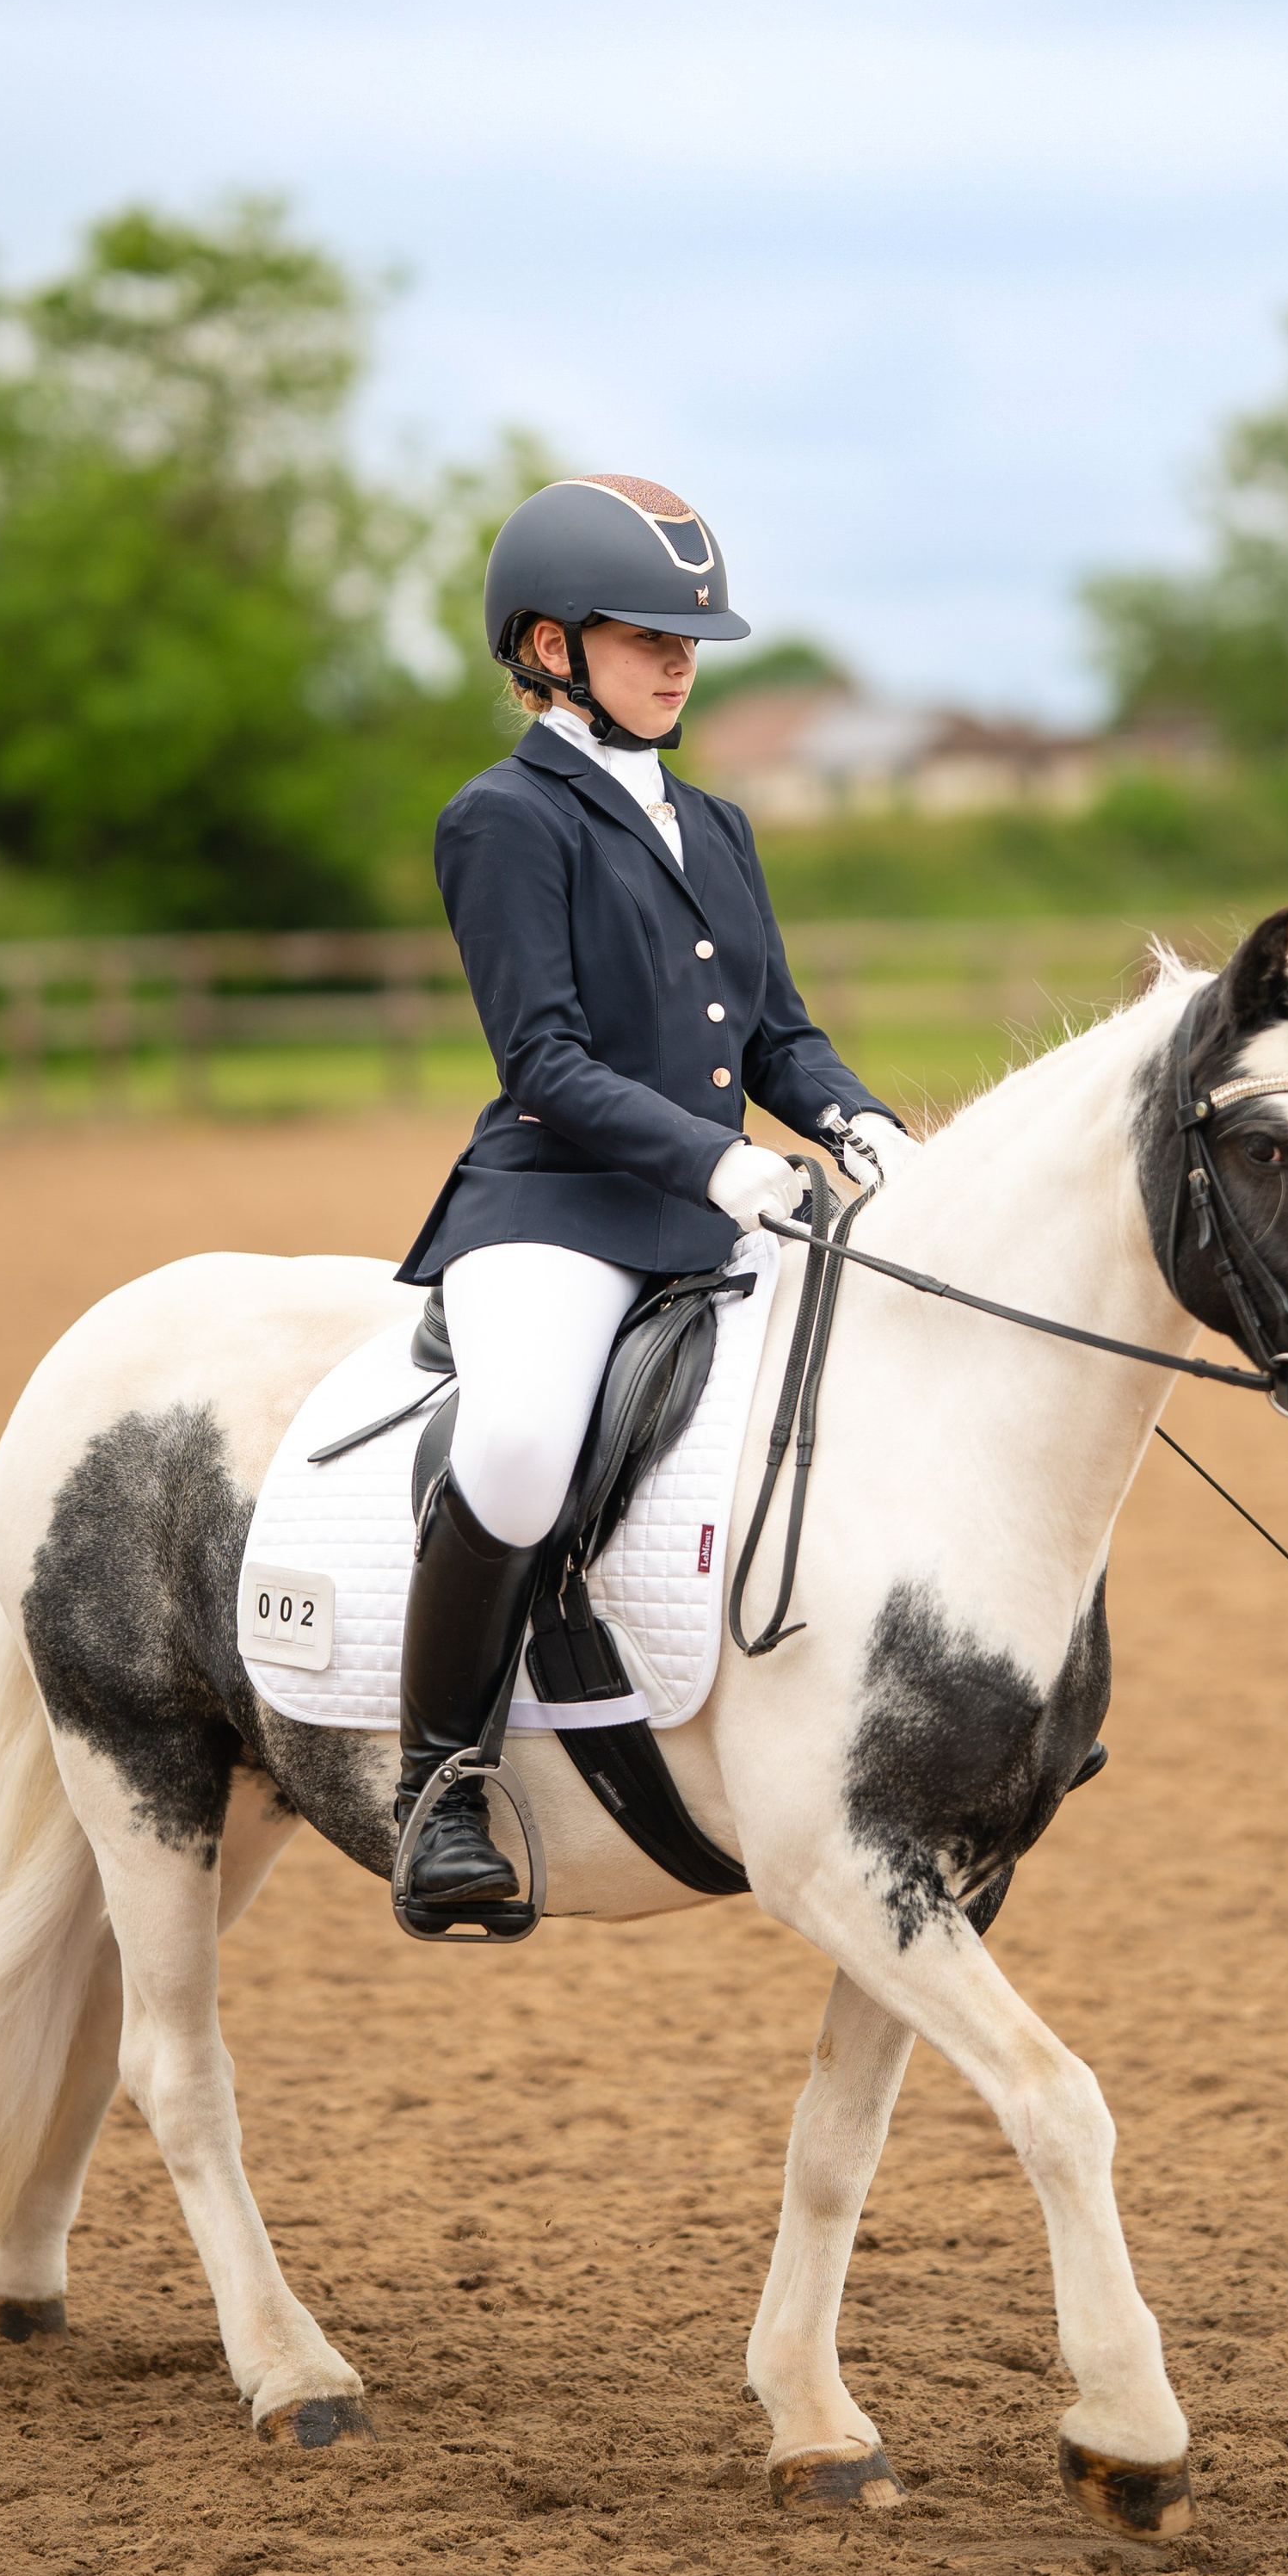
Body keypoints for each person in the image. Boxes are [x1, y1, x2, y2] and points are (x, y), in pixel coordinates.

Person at [390, 474, 914, 1910]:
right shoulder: (503, 819)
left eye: (692, 638)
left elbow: (776, 1037)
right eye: (645, 634)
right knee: (512, 1443)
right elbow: (544, 1060)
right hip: (555, 1210)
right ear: (549, 647)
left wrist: (863, 1128)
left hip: (713, 1209)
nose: (681, 659)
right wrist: (723, 1159)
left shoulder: (717, 825)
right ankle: (438, 1785)